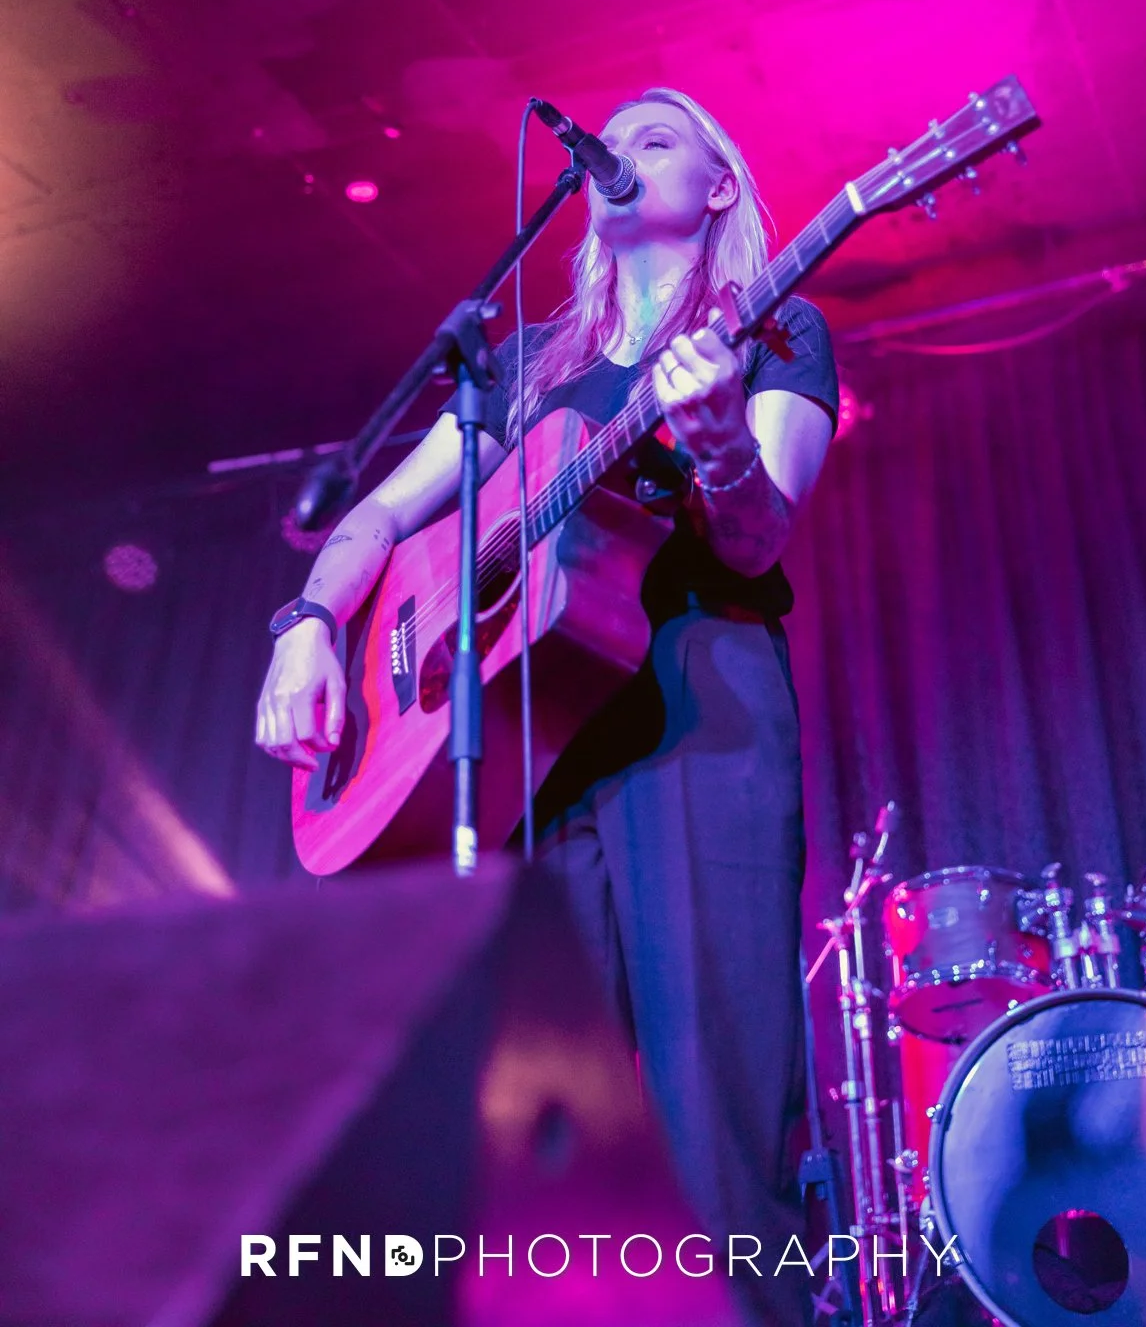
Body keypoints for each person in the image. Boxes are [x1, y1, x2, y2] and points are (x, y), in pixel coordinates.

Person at [255, 88, 837, 1326]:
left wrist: (719, 444)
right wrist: (307, 623)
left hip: (698, 717)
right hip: (537, 750)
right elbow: (381, 516)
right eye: (611, 141)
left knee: (718, 1146)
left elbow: (756, 536)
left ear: (719, 188)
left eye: (659, 138)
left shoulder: (776, 324)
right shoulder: (524, 367)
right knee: (536, 1169)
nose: (622, 152)